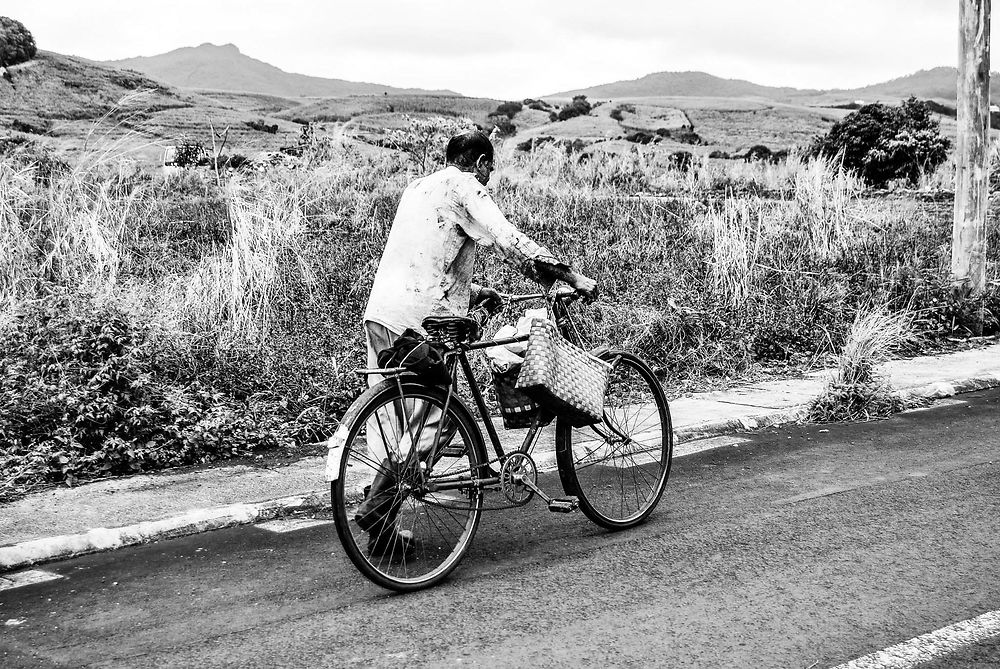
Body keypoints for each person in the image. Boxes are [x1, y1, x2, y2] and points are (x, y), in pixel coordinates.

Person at [355, 130, 597, 557]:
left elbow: (424, 255)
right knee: (439, 417)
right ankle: (378, 511)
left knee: (398, 423)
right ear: (482, 163)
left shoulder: (420, 187)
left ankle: (382, 531)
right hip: (420, 323)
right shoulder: (467, 186)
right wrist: (570, 275)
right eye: (491, 169)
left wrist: (474, 291)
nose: (490, 178)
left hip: (382, 313)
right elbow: (512, 241)